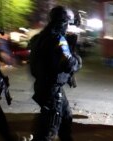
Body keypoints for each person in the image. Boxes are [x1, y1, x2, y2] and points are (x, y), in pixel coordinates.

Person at [29, 6, 82, 141]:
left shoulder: (40, 37)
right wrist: (77, 59)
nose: (70, 28)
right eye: (69, 24)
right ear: (64, 23)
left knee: (66, 116)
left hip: (44, 85)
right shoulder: (58, 39)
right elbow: (70, 64)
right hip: (51, 89)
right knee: (49, 130)